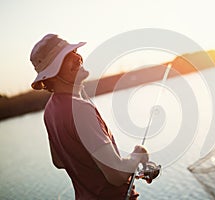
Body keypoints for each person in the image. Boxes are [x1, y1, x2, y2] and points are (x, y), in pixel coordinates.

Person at [30, 34, 149, 199]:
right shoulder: (80, 110)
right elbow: (115, 175)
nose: (78, 57)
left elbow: (59, 161)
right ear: (54, 73)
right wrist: (138, 154)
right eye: (68, 57)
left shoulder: (50, 110)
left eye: (76, 53)